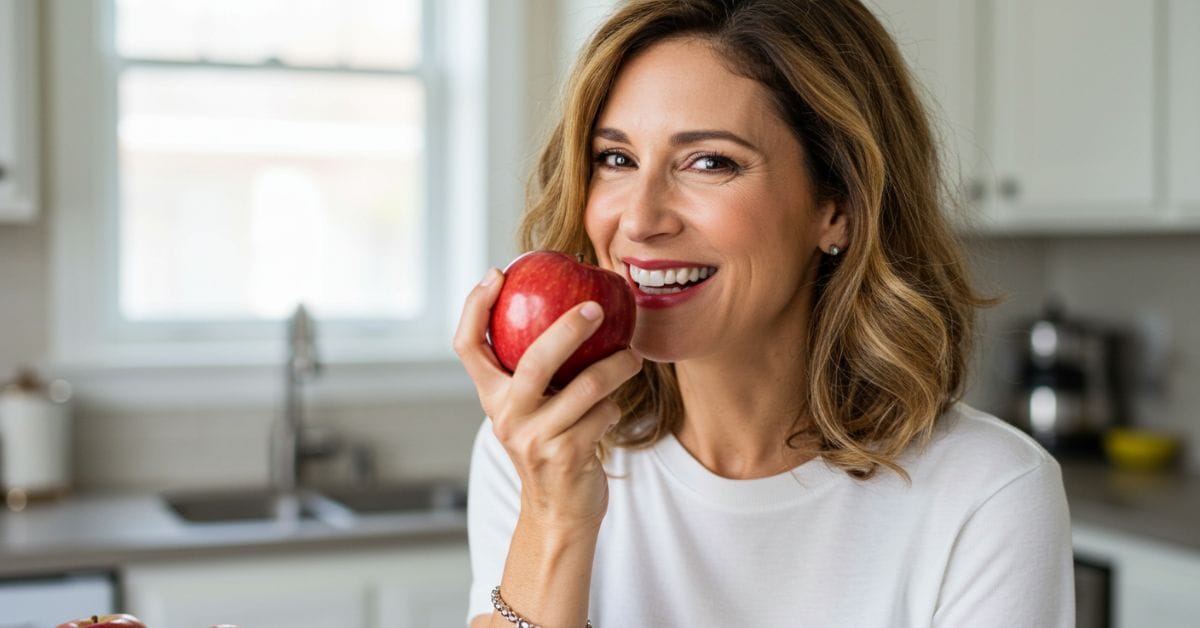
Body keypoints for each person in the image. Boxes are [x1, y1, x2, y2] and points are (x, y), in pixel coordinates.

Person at [453, 0, 1074, 626]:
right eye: (617, 159)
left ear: (838, 207)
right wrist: (555, 516)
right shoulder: (542, 449)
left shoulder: (989, 493)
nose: (639, 221)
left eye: (710, 162)